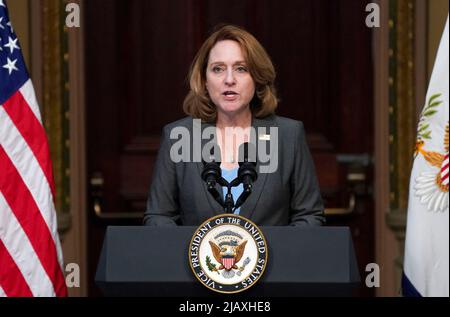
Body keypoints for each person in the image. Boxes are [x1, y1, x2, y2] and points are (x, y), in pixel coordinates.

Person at [143, 25, 324, 226]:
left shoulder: (288, 135)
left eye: (241, 68)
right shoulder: (178, 136)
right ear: (204, 80)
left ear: (257, 77)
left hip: (275, 258)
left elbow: (309, 216)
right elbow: (159, 217)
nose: (229, 80)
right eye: (218, 69)